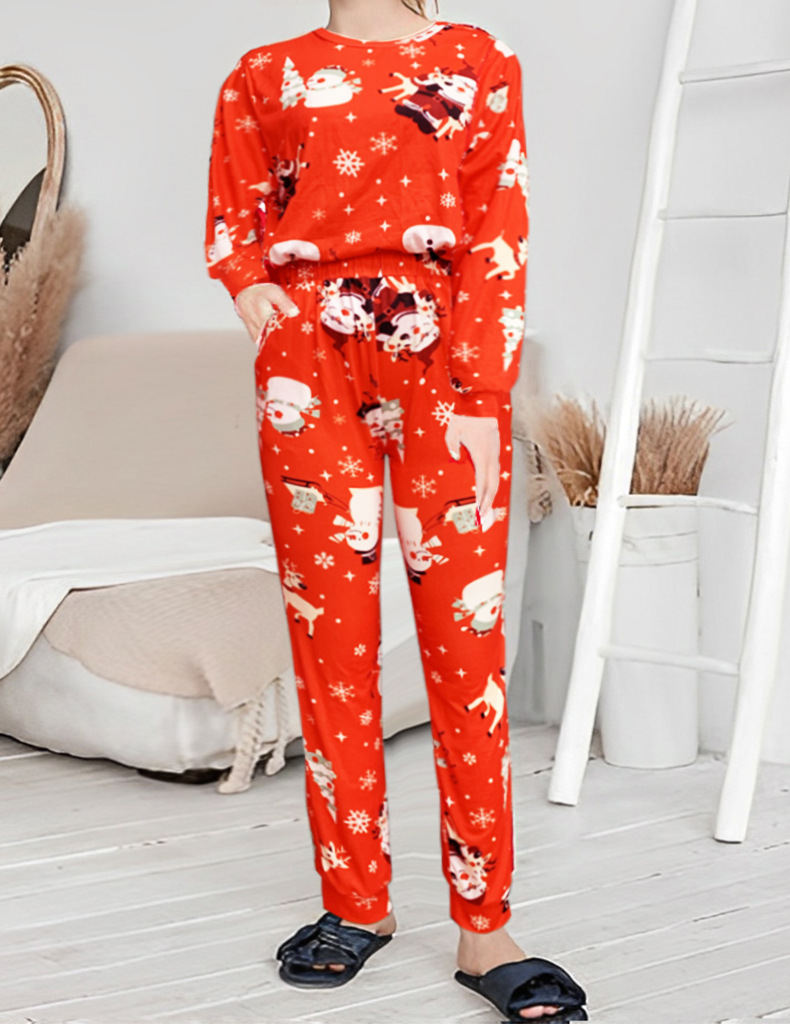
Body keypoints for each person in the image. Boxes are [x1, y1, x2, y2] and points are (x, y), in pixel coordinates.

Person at [205, 1, 587, 1020]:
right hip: (307, 358)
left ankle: (484, 925)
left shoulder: (477, 58)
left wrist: (479, 383)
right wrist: (254, 295)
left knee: (465, 646)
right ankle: (355, 901)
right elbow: (236, 214)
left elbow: (499, 221)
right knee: (329, 637)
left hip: (445, 360)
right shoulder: (263, 71)